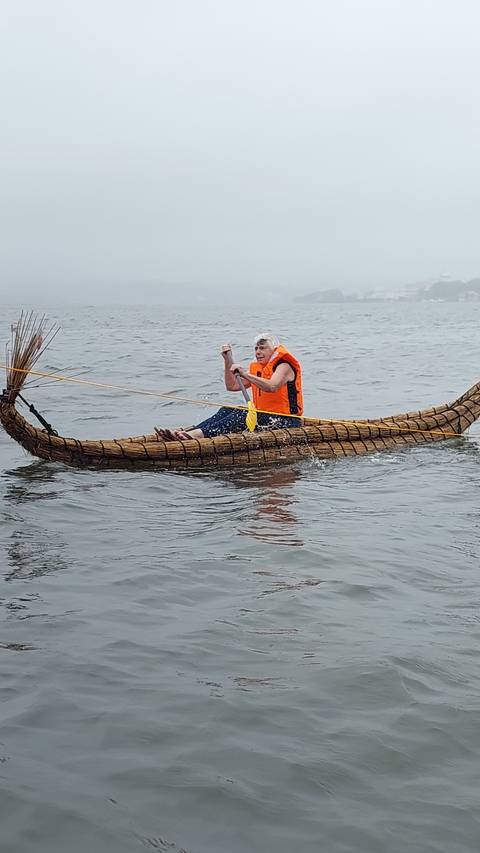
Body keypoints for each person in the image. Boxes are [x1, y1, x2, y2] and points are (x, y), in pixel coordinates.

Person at [155, 333, 304, 441]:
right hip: (264, 417)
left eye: (262, 348)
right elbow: (232, 386)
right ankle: (192, 431)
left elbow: (271, 386)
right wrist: (227, 360)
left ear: (273, 350)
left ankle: (198, 435)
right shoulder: (258, 369)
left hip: (285, 421)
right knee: (229, 409)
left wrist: (245, 373)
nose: (258, 352)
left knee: (241, 415)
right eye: (256, 348)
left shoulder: (284, 366)